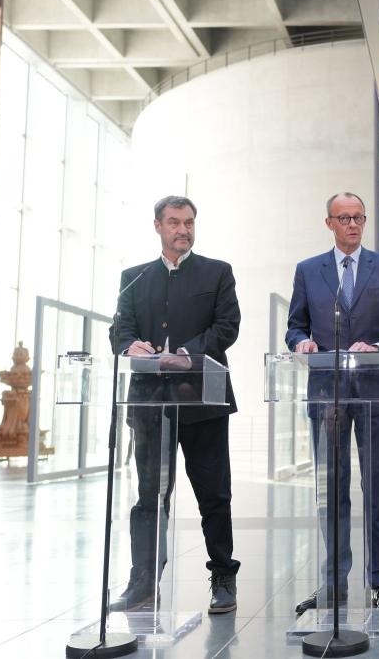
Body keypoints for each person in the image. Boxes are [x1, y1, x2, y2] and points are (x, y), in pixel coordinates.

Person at [286, 192, 379, 614]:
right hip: (327, 395)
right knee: (331, 492)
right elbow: (295, 326)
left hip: (376, 394)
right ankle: (332, 583)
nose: (352, 224)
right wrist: (301, 342)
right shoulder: (308, 271)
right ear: (329, 223)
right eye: (343, 218)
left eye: (358, 217)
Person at [111, 195, 241, 615]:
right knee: (150, 496)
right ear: (157, 226)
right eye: (174, 223)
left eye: (188, 223)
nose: (183, 230)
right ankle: (143, 581)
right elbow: (119, 331)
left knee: (214, 496)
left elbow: (227, 326)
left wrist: (187, 352)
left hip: (203, 401)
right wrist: (130, 343)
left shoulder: (217, 272)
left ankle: (223, 577)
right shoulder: (134, 278)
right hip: (150, 407)